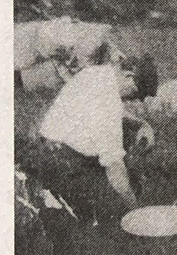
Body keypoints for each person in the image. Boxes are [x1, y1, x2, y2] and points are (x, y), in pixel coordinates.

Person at [29, 51, 158, 227]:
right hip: (62, 164)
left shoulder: (97, 73)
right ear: (129, 76)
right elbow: (114, 166)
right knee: (108, 213)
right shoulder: (108, 101)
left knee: (125, 146)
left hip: (45, 149)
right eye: (135, 94)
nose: (132, 101)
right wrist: (136, 212)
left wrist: (142, 124)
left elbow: (114, 110)